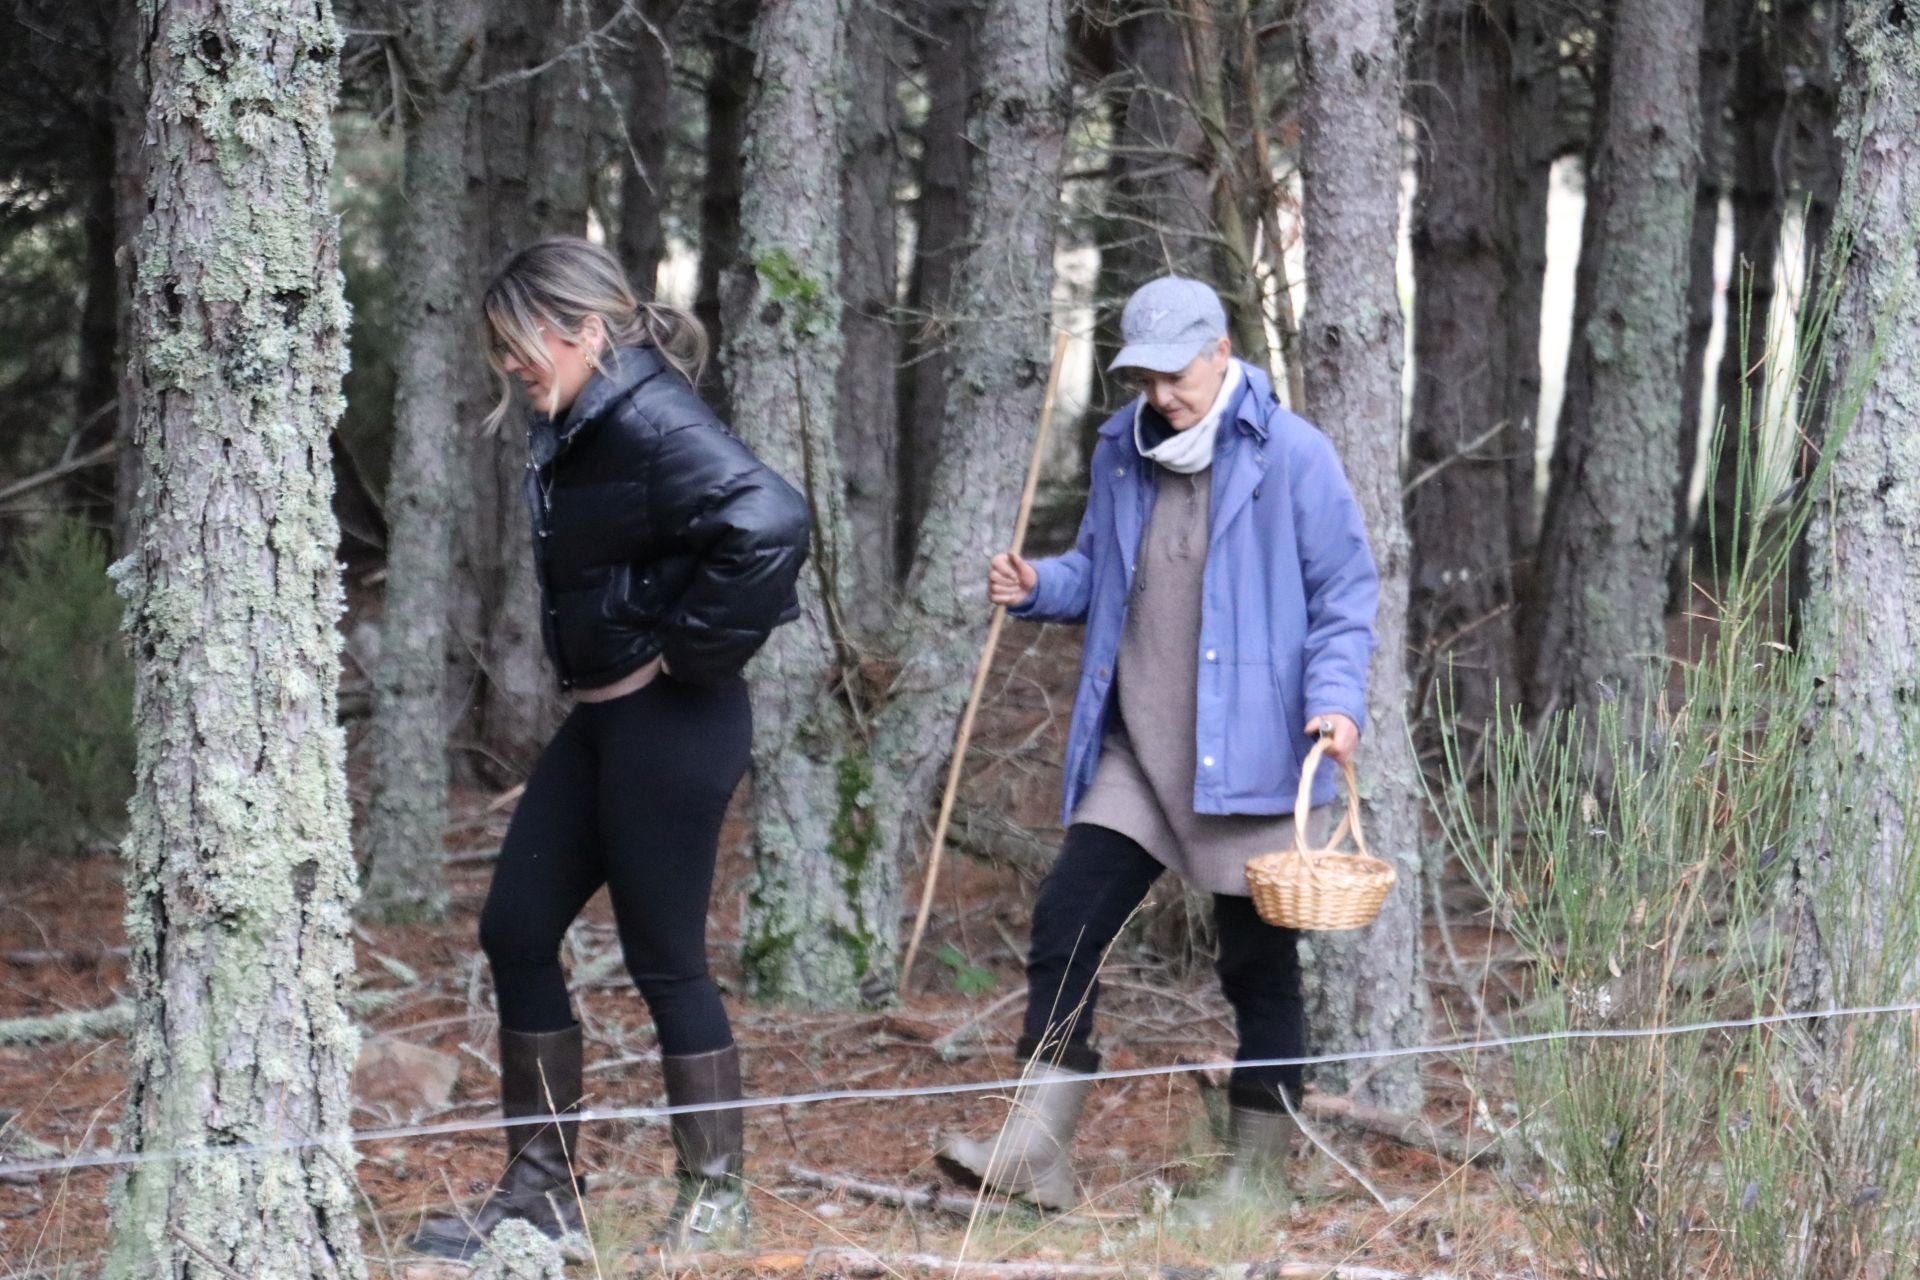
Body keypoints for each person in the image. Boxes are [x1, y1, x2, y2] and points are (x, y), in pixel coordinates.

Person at [934, 276, 1378, 1222]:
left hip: (1255, 760)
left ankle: (1254, 1182)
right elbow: (1099, 571)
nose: (1162, 396)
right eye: (1145, 378)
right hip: (1140, 749)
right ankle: (1035, 1152)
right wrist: (1037, 582)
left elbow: (1346, 593)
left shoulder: (1292, 454)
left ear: (1221, 352)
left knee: (1256, 970)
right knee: (1067, 921)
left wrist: (1338, 704)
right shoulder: (1119, 452)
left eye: (1176, 375)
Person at [407, 236, 810, 1260]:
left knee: (666, 959)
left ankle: (716, 1203)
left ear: (586, 331)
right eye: (499, 347)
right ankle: (543, 1195)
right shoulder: (583, 416)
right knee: (515, 925)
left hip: (674, 719)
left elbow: (770, 519)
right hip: (606, 719)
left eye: (521, 344)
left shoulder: (650, 415)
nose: (510, 364)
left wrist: (690, 651)